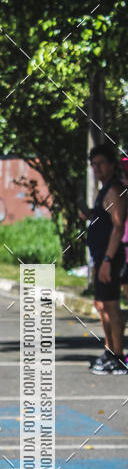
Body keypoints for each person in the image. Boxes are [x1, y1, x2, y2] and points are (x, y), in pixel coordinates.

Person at [84, 144, 127, 374]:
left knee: (110, 305)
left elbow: (118, 227)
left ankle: (119, 357)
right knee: (101, 305)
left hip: (109, 257)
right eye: (93, 164)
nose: (96, 168)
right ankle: (110, 351)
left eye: (100, 163)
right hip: (100, 256)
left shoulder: (114, 189)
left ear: (111, 165)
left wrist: (108, 261)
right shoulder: (104, 190)